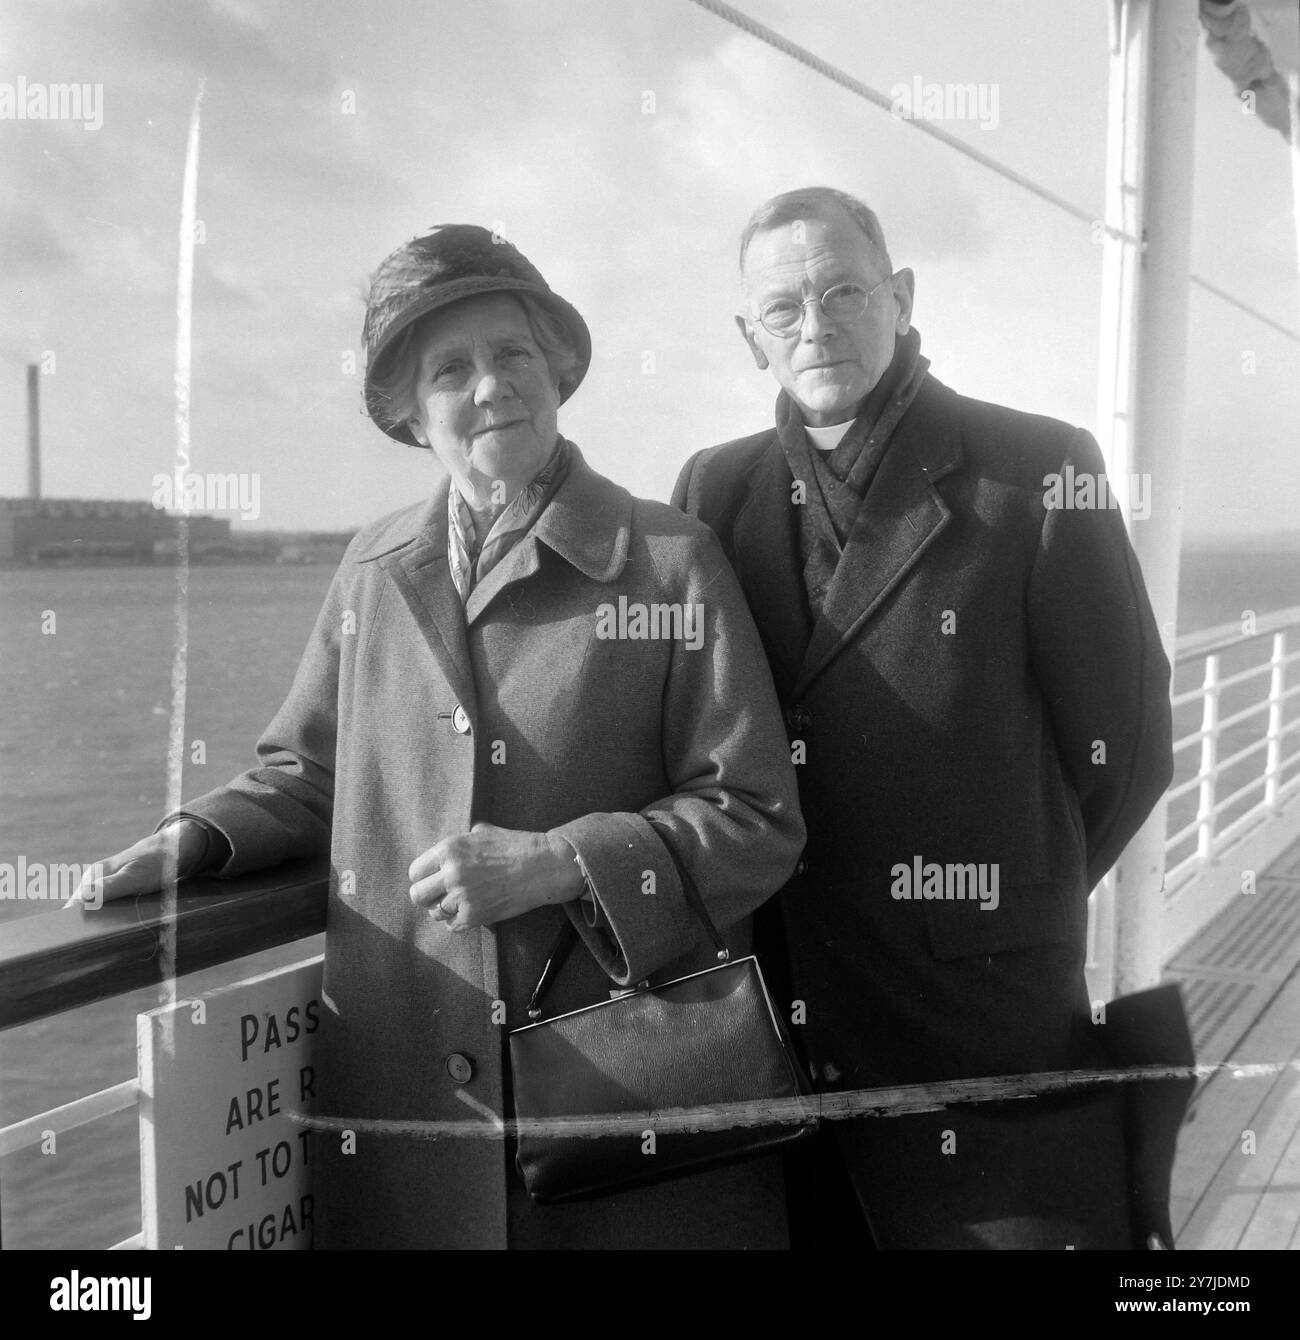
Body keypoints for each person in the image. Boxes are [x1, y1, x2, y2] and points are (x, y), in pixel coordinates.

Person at [72, 224, 804, 1250]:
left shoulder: (671, 560)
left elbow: (756, 816)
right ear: (410, 415)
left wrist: (555, 864)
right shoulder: (372, 566)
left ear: (555, 370)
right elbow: (309, 770)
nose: (490, 384)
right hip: (409, 1113)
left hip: (624, 1125)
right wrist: (195, 840)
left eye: (511, 353)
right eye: (448, 369)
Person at [672, 186, 1175, 1249]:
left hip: (983, 1021)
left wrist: (996, 898)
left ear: (898, 296)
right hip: (785, 1026)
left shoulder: (1036, 467)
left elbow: (1123, 749)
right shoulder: (714, 490)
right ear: (748, 336)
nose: (816, 326)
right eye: (783, 309)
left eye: (843, 290)